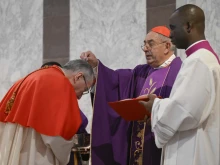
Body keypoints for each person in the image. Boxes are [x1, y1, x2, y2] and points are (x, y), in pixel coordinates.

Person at [80, 26, 182, 165]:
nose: (145, 48)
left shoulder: (180, 72)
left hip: (166, 150)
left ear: (167, 46)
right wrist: (96, 65)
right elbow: (115, 81)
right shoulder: (140, 72)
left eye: (150, 44)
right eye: (144, 44)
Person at [139, 4, 220, 165]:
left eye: (173, 27)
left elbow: (186, 111)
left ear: (188, 26)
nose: (170, 34)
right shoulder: (202, 58)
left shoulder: (198, 61)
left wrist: (155, 105)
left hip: (193, 149)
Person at [0, 59, 94, 165]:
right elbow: (55, 136)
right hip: (36, 152)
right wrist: (67, 148)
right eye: (85, 89)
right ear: (78, 77)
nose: (81, 95)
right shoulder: (59, 83)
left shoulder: (32, 77)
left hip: (14, 151)